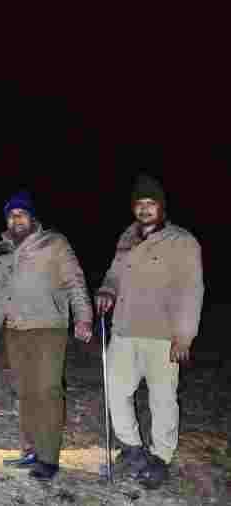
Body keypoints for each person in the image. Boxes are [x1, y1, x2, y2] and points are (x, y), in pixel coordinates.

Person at [96, 174, 203, 489]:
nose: (144, 209)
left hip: (162, 335)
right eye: (139, 203)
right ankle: (131, 447)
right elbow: (114, 274)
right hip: (124, 329)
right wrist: (107, 290)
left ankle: (160, 457)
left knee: (163, 399)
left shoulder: (182, 241)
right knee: (116, 390)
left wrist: (184, 336)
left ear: (162, 207)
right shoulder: (127, 237)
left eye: (150, 203)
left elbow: (192, 290)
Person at [0, 191, 93, 480]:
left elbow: (74, 281)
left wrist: (83, 317)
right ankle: (30, 451)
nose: (16, 219)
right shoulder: (2, 249)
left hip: (48, 327)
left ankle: (48, 458)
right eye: (11, 215)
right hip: (15, 329)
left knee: (48, 391)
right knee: (24, 393)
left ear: (32, 217)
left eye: (21, 213)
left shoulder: (54, 243)